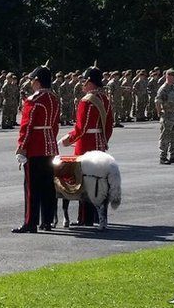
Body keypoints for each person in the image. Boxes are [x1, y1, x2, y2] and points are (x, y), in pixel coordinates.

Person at [58, 66, 114, 227]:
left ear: (90, 82)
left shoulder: (87, 101)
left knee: (84, 181)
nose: (82, 84)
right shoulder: (105, 99)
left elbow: (81, 128)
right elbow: (109, 125)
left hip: (86, 144)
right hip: (99, 143)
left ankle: (85, 218)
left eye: (84, 81)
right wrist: (104, 140)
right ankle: (98, 217)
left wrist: (67, 140)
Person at [13, 65, 60, 233]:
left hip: (35, 147)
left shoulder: (34, 100)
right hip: (50, 146)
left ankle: (30, 222)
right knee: (48, 186)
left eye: (32, 80)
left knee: (32, 187)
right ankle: (47, 221)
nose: (31, 83)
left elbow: (27, 127)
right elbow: (54, 126)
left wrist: (22, 147)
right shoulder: (54, 99)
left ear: (38, 81)